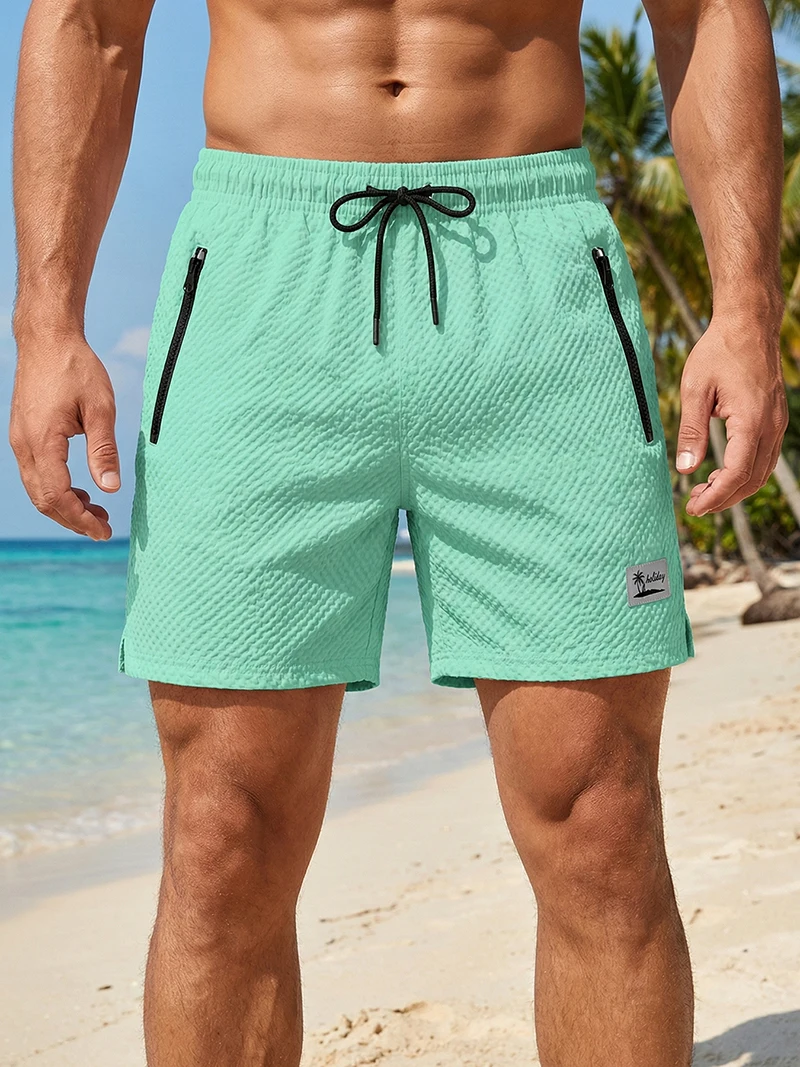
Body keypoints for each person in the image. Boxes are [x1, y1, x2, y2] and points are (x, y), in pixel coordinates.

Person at [9, 0, 787, 1063]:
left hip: (536, 279)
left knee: (598, 815)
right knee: (223, 830)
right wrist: (48, 323)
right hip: (261, 283)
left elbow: (704, 14)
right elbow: (92, 22)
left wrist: (744, 308)